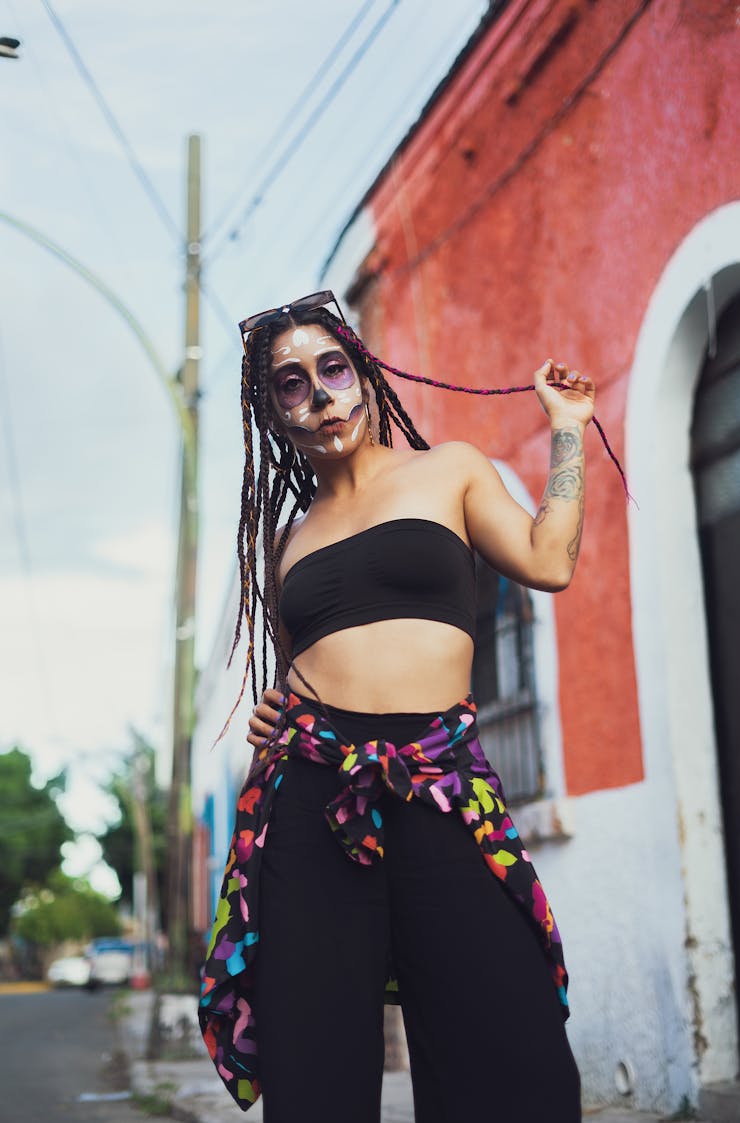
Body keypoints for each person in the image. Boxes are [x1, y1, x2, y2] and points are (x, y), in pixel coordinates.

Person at [199, 290, 593, 1123]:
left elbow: (548, 560)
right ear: (274, 412)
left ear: (365, 372)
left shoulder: (447, 470)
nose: (321, 393)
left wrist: (567, 426)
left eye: (332, 368)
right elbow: (310, 664)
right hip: (313, 800)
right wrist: (273, 715)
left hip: (438, 785)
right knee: (317, 1064)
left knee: (509, 1049)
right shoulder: (287, 541)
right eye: (292, 383)